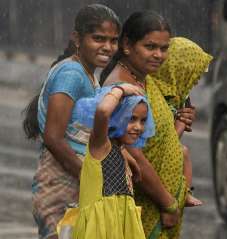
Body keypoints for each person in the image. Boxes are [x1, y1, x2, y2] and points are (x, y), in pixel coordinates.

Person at [100, 12, 209, 238]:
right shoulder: (122, 87)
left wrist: (177, 125)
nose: (159, 55)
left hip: (156, 205)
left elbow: (154, 142)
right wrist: (167, 203)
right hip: (144, 206)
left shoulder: (144, 79)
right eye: (150, 47)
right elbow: (134, 154)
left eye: (164, 48)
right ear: (128, 45)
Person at [22, 4, 120, 239]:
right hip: (60, 183)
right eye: (98, 38)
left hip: (73, 180)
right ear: (77, 38)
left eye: (113, 40)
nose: (107, 47)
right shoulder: (72, 74)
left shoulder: (86, 73)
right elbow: (53, 138)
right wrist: (90, 176)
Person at [70, 84, 152, 239]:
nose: (138, 127)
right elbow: (102, 112)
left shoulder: (117, 149)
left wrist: (129, 159)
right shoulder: (100, 145)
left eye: (143, 121)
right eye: (131, 119)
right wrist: (120, 90)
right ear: (115, 117)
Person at [150, 37, 212, 207]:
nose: (197, 80)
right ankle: (185, 193)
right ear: (179, 70)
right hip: (152, 170)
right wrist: (180, 124)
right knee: (183, 152)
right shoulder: (155, 95)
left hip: (164, 163)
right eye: (193, 74)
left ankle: (186, 193)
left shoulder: (178, 96)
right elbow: (163, 143)